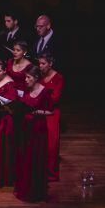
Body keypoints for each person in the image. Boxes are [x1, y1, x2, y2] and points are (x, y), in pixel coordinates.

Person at [14, 66, 52, 202]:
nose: (26, 80)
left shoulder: (45, 92)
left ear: (36, 78)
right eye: (25, 77)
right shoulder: (25, 90)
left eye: (29, 77)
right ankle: (24, 187)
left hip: (38, 131)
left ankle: (34, 191)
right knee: (25, 158)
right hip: (25, 129)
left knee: (35, 159)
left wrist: (36, 112)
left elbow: (49, 111)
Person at [38, 53, 65, 182]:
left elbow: (55, 98)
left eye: (43, 64)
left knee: (51, 144)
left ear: (50, 64)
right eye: (39, 63)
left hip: (51, 113)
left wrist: (40, 99)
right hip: (39, 112)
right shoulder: (39, 76)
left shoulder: (58, 78)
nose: (40, 66)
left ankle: (51, 173)